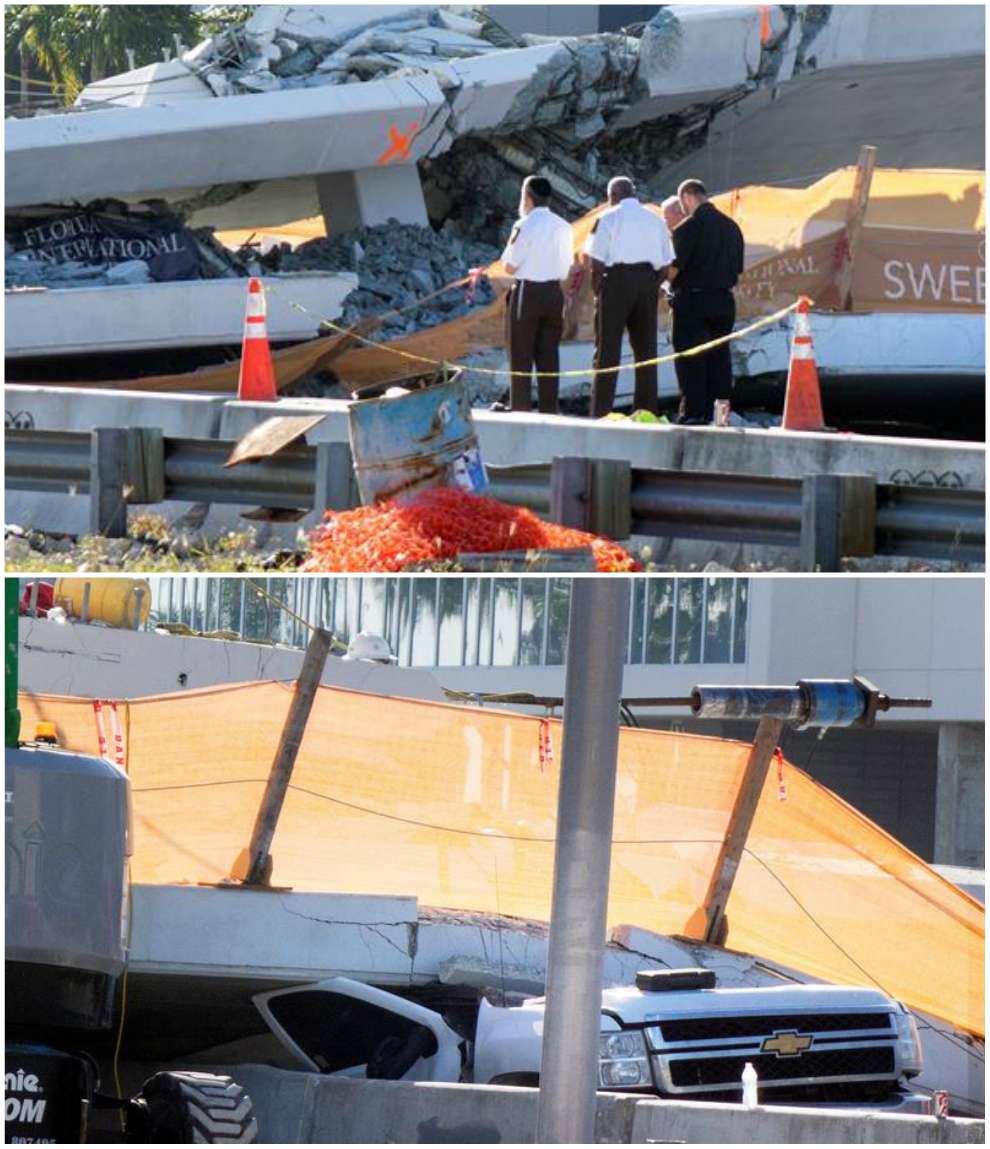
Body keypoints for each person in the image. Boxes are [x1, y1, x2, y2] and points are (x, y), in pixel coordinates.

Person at [582, 176, 674, 418]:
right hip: (647, 281)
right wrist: (652, 287)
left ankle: (601, 412)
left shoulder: (608, 218)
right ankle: (646, 411)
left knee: (607, 350)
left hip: (616, 282)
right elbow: (666, 265)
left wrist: (598, 291)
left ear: (613, 196)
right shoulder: (656, 221)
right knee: (646, 350)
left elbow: (596, 262)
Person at [669, 178, 745, 424]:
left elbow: (673, 270)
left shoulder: (687, 228)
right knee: (720, 360)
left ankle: (693, 415)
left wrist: (663, 285)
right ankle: (720, 415)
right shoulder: (732, 227)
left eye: (682, 204)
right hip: (724, 302)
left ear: (688, 197)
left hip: (693, 302)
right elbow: (737, 272)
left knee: (691, 361)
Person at [500, 175, 575, 414]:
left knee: (521, 353)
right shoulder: (563, 226)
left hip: (528, 291)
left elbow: (510, 266)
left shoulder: (524, 225)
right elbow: (567, 266)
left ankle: (520, 409)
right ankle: (549, 409)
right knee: (549, 354)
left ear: (527, 198)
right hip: (554, 292)